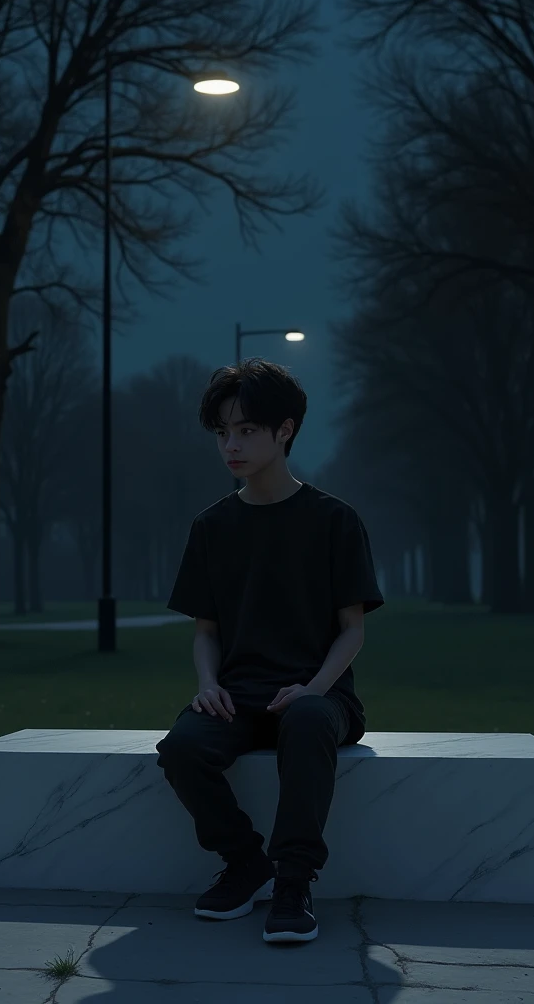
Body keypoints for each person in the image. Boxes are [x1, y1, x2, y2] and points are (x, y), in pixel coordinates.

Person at [156, 357, 384, 944]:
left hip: (318, 695)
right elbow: (206, 632)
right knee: (181, 748)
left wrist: (314, 687)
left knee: (306, 720)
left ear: (285, 430)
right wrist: (208, 686)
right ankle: (244, 861)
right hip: (239, 692)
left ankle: (294, 881)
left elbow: (352, 630)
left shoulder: (335, 520)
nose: (231, 445)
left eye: (247, 430)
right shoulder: (211, 527)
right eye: (222, 433)